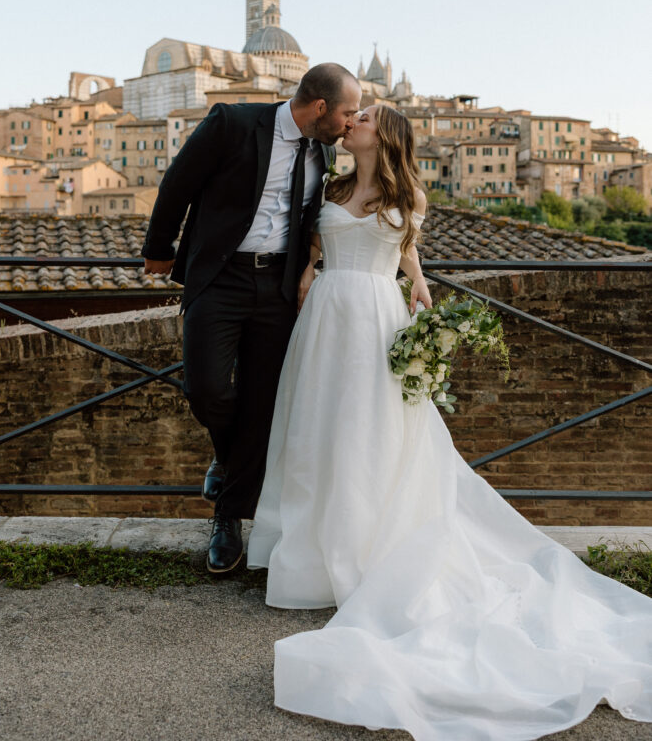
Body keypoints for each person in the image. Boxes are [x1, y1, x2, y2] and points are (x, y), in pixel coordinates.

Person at [247, 104, 652, 740]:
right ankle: (308, 554)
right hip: (325, 318)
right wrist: (303, 272)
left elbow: (407, 250)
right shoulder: (329, 183)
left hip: (377, 319)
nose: (350, 121)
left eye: (363, 117)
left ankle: (360, 548)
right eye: (350, 114)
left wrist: (420, 289)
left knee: (371, 434)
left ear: (384, 134)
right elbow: (317, 243)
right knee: (315, 433)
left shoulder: (408, 194)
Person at [141, 63, 362, 573]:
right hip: (220, 277)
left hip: (279, 288)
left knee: (264, 405)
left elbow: (310, 219)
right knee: (206, 388)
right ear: (321, 107)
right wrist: (159, 247)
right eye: (348, 112)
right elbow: (178, 182)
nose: (352, 123)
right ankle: (225, 455)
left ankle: (228, 518)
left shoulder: (324, 150)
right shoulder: (233, 123)